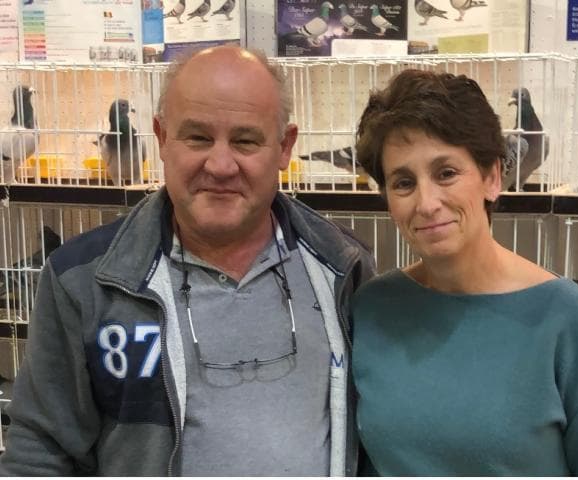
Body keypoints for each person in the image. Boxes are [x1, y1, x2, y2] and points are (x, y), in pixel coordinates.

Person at [0, 46, 375, 476]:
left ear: (285, 146)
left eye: (245, 141)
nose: (220, 165)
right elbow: (39, 452)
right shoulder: (83, 281)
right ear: (161, 138)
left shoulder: (342, 268)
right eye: (197, 137)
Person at [351, 69, 578, 476]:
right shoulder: (371, 309)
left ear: (492, 177)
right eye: (403, 182)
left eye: (446, 173)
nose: (427, 203)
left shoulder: (572, 324)